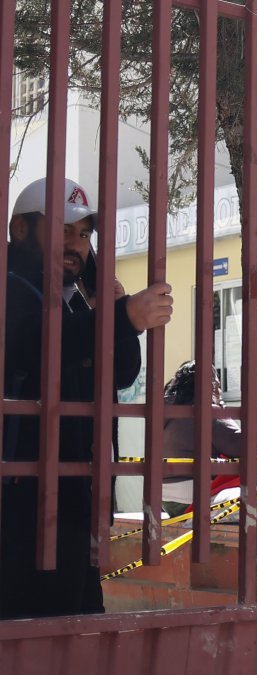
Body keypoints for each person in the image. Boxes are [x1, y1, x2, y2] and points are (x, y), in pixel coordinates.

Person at [1, 177, 173, 619]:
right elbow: (38, 344)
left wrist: (108, 305)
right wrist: (122, 317)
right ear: (21, 229)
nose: (76, 244)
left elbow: (120, 373)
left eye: (84, 234)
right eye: (62, 230)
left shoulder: (76, 304)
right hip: (21, 503)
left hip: (75, 500)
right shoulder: (12, 288)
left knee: (80, 633)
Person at [161, 361, 244, 518]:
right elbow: (242, 445)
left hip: (166, 500)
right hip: (193, 497)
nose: (219, 391)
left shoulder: (167, 413)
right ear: (210, 386)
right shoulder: (206, 411)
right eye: (217, 386)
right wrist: (222, 411)